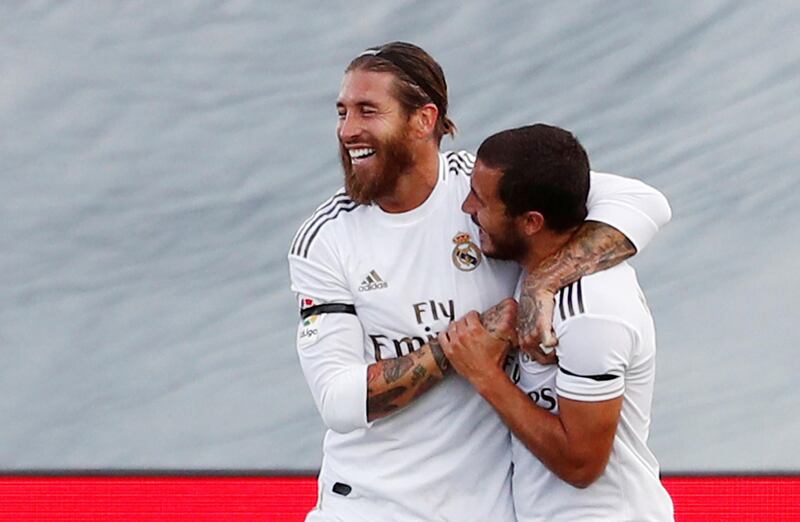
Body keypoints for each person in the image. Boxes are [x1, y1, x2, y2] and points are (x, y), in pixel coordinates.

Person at [288, 42, 671, 522]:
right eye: (342, 112)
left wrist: (542, 283)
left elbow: (646, 203)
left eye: (368, 111)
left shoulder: (486, 190)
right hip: (370, 507)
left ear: (424, 120)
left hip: (487, 509)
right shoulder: (326, 239)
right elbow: (338, 401)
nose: (347, 131)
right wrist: (454, 351)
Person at [442, 123, 674, 521]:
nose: (467, 209)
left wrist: (485, 374)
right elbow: (643, 200)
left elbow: (582, 465)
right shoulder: (544, 238)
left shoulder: (592, 310)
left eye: (479, 200)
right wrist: (540, 282)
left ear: (532, 221)